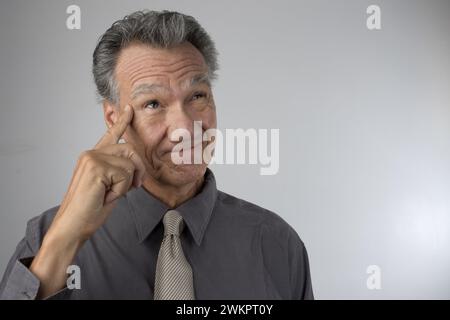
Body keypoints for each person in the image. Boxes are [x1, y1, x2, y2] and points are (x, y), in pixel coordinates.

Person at [0, 10, 313, 300]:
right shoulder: (46, 236)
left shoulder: (277, 244)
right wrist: (63, 239)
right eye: (153, 103)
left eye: (197, 96)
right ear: (113, 119)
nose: (185, 127)